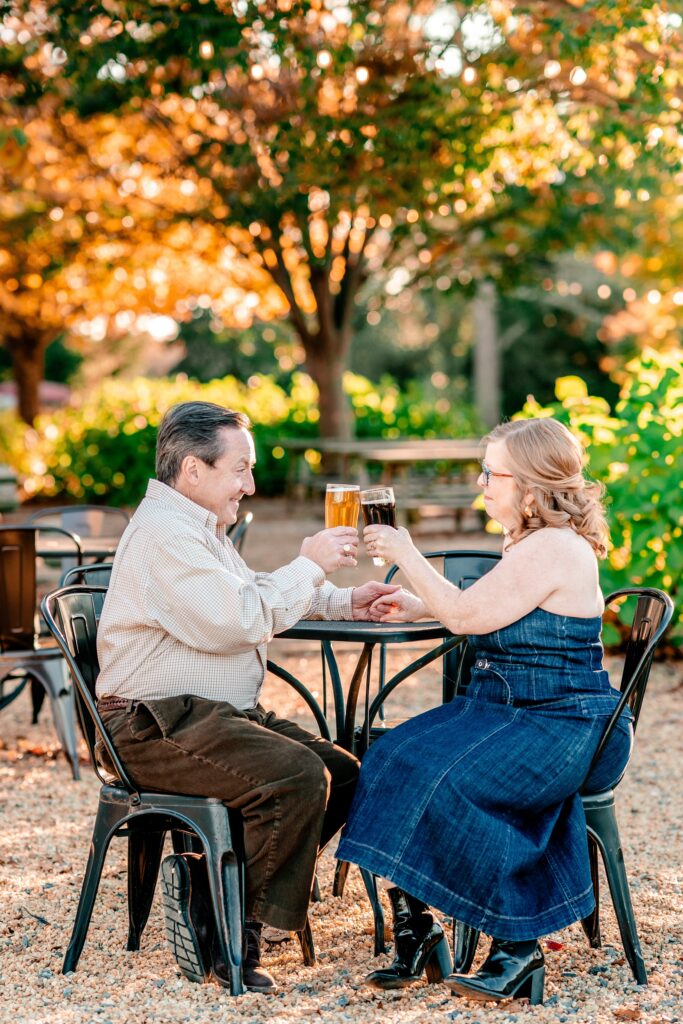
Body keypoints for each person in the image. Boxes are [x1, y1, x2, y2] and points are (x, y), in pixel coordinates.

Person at [95, 401, 399, 993]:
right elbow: (239, 617)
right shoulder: (165, 535)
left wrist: (342, 600)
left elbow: (248, 592)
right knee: (296, 777)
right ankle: (233, 932)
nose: (251, 485)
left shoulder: (194, 527)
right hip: (150, 724)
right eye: (240, 469)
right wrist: (308, 564)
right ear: (192, 469)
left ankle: (213, 897)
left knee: (344, 772)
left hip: (206, 715)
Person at [336, 417, 633, 1004]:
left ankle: (515, 945)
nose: (482, 483)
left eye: (491, 473)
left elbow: (468, 619)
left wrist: (406, 553)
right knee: (390, 755)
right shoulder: (526, 542)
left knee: (452, 780)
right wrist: (419, 605)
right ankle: (419, 932)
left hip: (567, 724)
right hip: (511, 709)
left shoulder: (555, 546)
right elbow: (488, 608)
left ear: (530, 483)